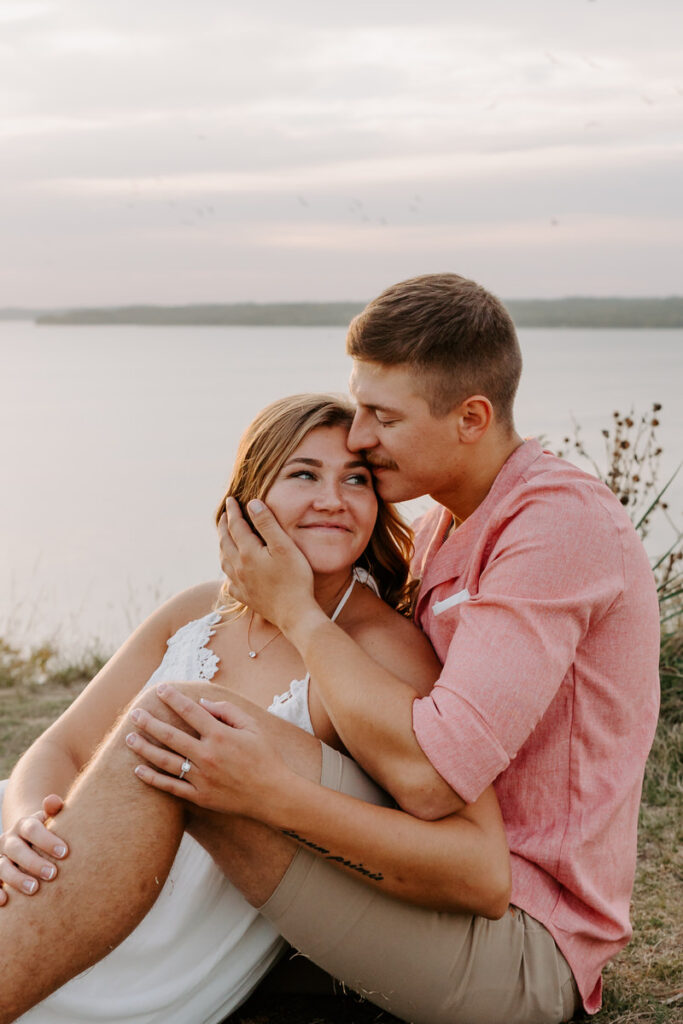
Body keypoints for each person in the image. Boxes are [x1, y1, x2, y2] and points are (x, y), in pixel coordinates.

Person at [136, 273, 659, 1018]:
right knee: (189, 745)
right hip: (427, 873)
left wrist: (294, 611)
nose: (359, 436)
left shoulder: (554, 528)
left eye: (381, 417)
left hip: (522, 931)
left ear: (471, 418)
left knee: (199, 753)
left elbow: (430, 780)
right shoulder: (444, 526)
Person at [0, 393, 510, 1024]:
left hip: (167, 939)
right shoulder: (195, 611)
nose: (333, 498)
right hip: (62, 866)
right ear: (250, 495)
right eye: (304, 474)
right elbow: (59, 747)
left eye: (356, 479)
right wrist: (24, 824)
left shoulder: (378, 649)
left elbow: (470, 851)